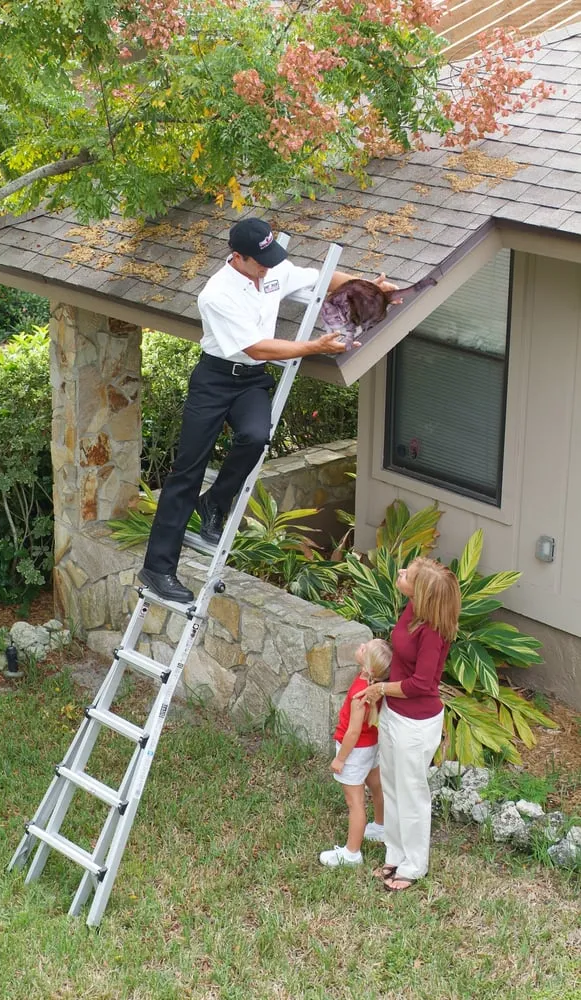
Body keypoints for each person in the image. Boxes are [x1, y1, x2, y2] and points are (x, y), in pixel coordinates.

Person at [139, 217, 399, 603]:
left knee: (256, 436)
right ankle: (158, 569)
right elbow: (257, 347)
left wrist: (370, 289)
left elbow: (322, 279)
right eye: (260, 261)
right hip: (214, 380)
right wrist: (315, 347)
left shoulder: (273, 269)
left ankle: (214, 503)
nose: (267, 267)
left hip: (250, 382)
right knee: (187, 473)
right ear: (237, 257)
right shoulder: (217, 295)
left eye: (270, 258)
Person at [355, 557, 461, 891]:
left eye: (407, 576)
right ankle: (395, 853)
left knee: (411, 792)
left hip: (415, 724)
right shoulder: (413, 610)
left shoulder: (433, 632)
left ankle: (414, 865)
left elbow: (421, 684)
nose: (400, 574)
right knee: (391, 785)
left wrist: (381, 689)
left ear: (421, 592)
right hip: (394, 714)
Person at [319, 638, 392, 868]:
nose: (361, 645)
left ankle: (352, 853)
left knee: (355, 802)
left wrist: (341, 759)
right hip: (371, 747)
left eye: (364, 648)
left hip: (355, 751)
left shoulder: (361, 693)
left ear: (369, 668)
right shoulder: (373, 687)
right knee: (376, 786)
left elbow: (352, 732)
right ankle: (381, 826)